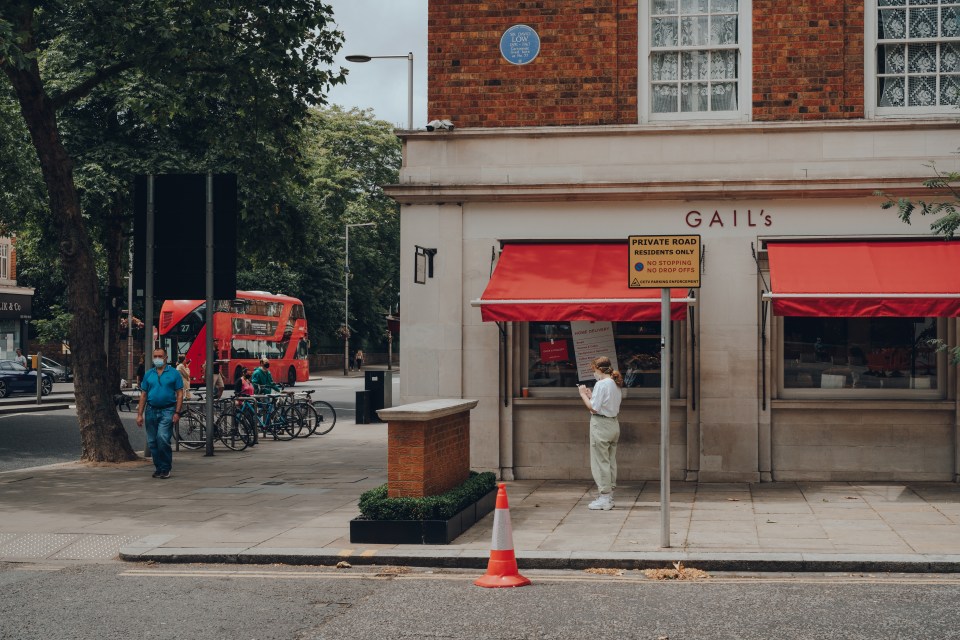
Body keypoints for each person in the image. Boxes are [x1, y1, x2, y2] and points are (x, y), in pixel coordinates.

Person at [577, 356, 623, 511]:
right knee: (610, 461)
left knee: (600, 462)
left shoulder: (601, 384)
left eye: (594, 370)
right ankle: (609, 496)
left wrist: (583, 394)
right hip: (613, 424)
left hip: (601, 425)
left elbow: (593, 408)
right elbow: (603, 403)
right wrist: (591, 396)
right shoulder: (614, 383)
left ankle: (604, 497)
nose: (594, 373)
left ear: (598, 369)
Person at [136, 349, 184, 479]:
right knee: (152, 441)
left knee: (162, 438)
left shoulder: (174, 373)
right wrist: (140, 414)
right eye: (155, 356)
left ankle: (166, 467)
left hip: (168, 410)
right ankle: (159, 468)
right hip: (151, 410)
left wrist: (177, 412)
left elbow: (180, 393)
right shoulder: (149, 374)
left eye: (160, 356)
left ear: (166, 357)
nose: (157, 358)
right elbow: (144, 394)